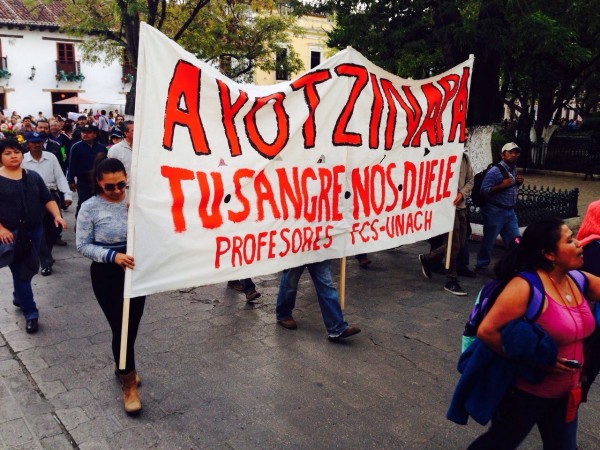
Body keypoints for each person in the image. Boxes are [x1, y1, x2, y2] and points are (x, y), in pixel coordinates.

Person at [468, 217, 600, 449]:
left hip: (567, 395)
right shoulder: (525, 287)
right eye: (570, 240)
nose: (580, 244)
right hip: (525, 395)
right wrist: (535, 360)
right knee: (497, 444)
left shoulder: (577, 280)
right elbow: (487, 332)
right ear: (549, 254)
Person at [76, 157, 146, 414]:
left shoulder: (136, 199)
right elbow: (82, 245)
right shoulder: (89, 207)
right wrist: (113, 256)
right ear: (99, 183)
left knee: (132, 326)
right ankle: (128, 386)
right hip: (107, 274)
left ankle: (124, 366)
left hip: (137, 272)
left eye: (121, 185)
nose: (117, 191)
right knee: (121, 328)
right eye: (110, 187)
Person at [0, 139, 67, 333]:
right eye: (7, 153)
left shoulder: (33, 176)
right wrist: (2, 229)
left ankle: (18, 296)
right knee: (22, 271)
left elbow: (47, 199)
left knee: (27, 267)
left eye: (16, 152)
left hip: (35, 230)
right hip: (11, 234)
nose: (13, 156)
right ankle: (31, 313)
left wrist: (57, 216)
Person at [419, 147, 474, 295]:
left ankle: (427, 258)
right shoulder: (441, 156)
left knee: (459, 244)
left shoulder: (465, 158)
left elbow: (470, 180)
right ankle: (451, 280)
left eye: (467, 135)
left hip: (461, 207)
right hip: (447, 208)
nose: (465, 137)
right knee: (452, 245)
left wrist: (462, 194)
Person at [21, 132, 72, 276]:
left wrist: (67, 195)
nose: (37, 144)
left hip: (51, 195)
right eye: (33, 142)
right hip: (32, 198)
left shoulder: (51, 157)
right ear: (28, 144)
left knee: (54, 229)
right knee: (39, 230)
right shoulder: (22, 159)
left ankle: (46, 254)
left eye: (39, 141)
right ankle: (45, 262)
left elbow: (60, 177)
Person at [276, 260, 361, 341]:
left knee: (326, 285)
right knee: (290, 282)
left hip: (319, 251)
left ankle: (337, 327)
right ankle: (283, 314)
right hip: (299, 250)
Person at [475, 142, 525, 272]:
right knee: (489, 240)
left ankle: (514, 264)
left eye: (516, 152)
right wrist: (501, 185)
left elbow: (510, 186)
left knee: (515, 239)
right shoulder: (495, 171)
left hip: (509, 211)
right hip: (494, 210)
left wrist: (517, 183)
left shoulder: (513, 169)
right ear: (503, 155)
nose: (514, 155)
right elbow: (483, 190)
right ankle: (481, 264)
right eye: (510, 152)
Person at [68, 124, 108, 216]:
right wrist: (70, 180)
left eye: (88, 132)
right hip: (83, 181)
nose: (85, 134)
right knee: (83, 202)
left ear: (95, 134)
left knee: (99, 202)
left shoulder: (101, 147)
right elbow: (72, 164)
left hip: (98, 180)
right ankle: (79, 223)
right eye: (83, 132)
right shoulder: (76, 147)